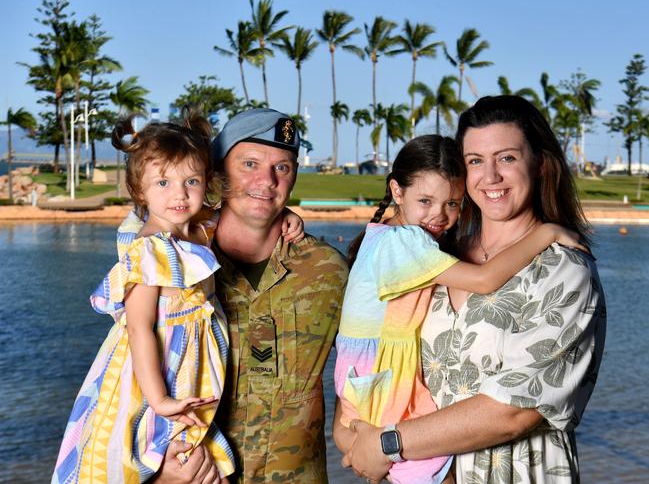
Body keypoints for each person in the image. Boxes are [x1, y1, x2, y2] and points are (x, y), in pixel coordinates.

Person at [339, 95, 606, 484]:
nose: (490, 176)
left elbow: (513, 412)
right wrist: (351, 430)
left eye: (507, 158)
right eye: (476, 161)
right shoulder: (437, 258)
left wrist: (386, 443)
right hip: (421, 471)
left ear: (541, 164)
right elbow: (374, 349)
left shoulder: (565, 270)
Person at [154, 108, 349, 483]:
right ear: (218, 172)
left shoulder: (328, 271)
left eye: (283, 167)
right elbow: (122, 380)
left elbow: (369, 364)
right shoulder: (172, 265)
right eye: (249, 163)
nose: (267, 180)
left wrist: (356, 436)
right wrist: (157, 470)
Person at [52, 113, 238, 483]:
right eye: (163, 182)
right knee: (143, 440)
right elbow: (138, 329)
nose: (179, 194)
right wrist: (158, 400)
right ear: (139, 190)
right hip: (154, 370)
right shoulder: (147, 251)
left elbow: (239, 218)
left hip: (191, 364)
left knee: (193, 436)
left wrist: (287, 218)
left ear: (206, 182)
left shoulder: (200, 229)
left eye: (191, 181)